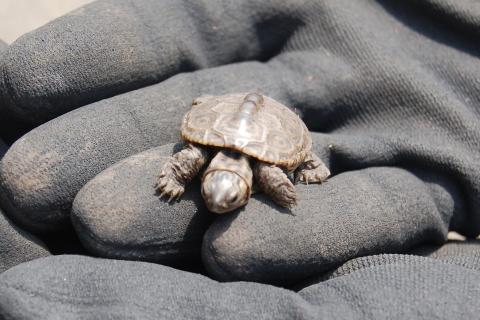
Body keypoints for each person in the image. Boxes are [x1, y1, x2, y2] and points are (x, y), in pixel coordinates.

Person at [0, 1, 480, 318]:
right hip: (229, 120)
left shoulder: (267, 171)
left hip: (268, 131)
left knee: (290, 166)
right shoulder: (200, 158)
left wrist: (300, 172)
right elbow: (188, 157)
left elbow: (278, 166)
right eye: (217, 190)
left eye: (227, 195)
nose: (220, 198)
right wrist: (174, 175)